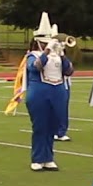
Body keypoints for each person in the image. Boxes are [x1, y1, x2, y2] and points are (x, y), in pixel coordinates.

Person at [23, 12, 72, 171]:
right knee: (40, 126)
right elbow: (35, 67)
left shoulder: (57, 55)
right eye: (44, 43)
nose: (46, 45)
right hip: (39, 93)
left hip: (57, 92)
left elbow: (69, 71)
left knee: (52, 126)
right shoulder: (32, 55)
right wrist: (46, 52)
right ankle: (38, 158)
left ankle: (48, 157)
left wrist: (62, 55)